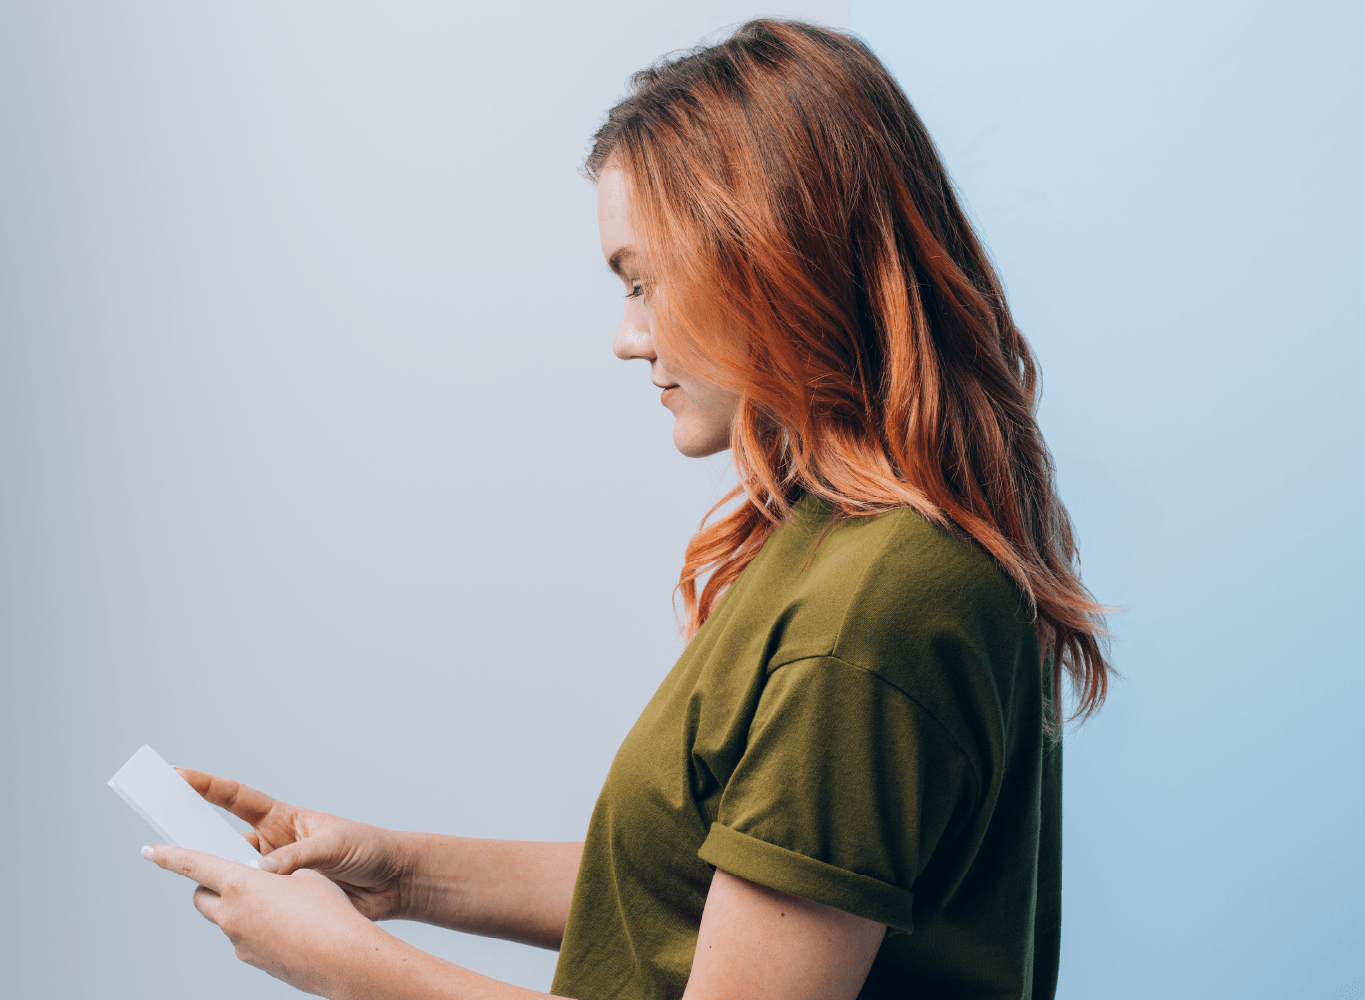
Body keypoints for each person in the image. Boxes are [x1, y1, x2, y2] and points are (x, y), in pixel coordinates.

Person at [140, 19, 1112, 1000]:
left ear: (773, 252)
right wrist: (400, 871)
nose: (627, 337)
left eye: (644, 281)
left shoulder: (871, 609)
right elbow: (695, 887)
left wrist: (344, 964)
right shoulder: (853, 554)